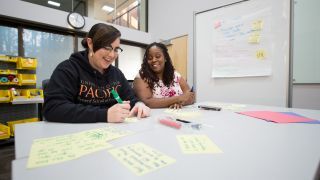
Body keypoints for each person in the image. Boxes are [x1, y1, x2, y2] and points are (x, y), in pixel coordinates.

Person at [43, 23, 150, 123]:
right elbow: (53, 108)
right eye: (107, 47)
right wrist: (105, 114)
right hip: (76, 135)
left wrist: (138, 104)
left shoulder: (116, 74)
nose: (112, 55)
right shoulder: (68, 69)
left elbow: (130, 99)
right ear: (90, 43)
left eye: (116, 49)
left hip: (113, 132)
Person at [133, 42, 195, 109]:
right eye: (150, 58)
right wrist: (178, 99)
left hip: (177, 115)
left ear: (165, 58)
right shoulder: (142, 77)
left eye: (158, 56)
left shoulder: (174, 74)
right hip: (153, 117)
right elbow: (147, 102)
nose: (153, 60)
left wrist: (178, 103)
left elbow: (190, 96)